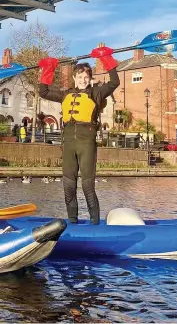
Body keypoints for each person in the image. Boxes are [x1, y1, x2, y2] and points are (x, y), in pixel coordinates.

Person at [38, 46, 120, 225]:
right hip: (67, 143)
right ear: (74, 78)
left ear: (90, 79)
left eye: (87, 77)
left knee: (87, 185)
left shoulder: (96, 93)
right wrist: (49, 69)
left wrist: (106, 58)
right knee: (68, 185)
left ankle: (95, 225)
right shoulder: (65, 94)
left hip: (86, 142)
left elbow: (114, 82)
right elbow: (43, 91)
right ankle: (73, 223)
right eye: (80, 76)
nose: (83, 80)